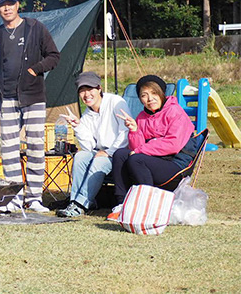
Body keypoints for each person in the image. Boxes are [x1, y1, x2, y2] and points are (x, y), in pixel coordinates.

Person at [0, 0, 60, 212]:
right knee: (9, 149)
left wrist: (36, 69)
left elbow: (54, 56)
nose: (6, 7)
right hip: (7, 98)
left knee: (35, 146)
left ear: (17, 5)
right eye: (2, 5)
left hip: (33, 96)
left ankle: (34, 198)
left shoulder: (35, 28)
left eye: (10, 3)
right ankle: (13, 196)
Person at [108, 75, 195, 220]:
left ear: (162, 93)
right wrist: (135, 130)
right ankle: (122, 204)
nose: (150, 99)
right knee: (120, 154)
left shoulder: (175, 112)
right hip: (153, 162)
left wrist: (140, 151)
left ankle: (147, 206)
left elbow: (173, 145)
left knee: (137, 159)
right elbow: (137, 148)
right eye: (144, 95)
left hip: (175, 164)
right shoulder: (142, 117)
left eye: (154, 93)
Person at [56, 72, 130, 217]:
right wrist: (78, 126)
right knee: (81, 156)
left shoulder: (115, 102)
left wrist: (109, 152)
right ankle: (75, 201)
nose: (86, 95)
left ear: (99, 89)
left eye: (90, 89)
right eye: (82, 91)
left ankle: (80, 204)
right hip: (99, 151)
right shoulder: (87, 114)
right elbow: (88, 146)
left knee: (99, 161)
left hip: (119, 153)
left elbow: (125, 132)